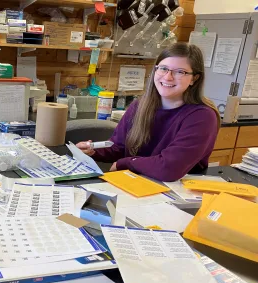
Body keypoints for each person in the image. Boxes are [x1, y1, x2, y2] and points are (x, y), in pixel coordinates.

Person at [77, 43, 220, 182]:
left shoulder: (202, 117)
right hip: (136, 185)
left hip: (176, 194)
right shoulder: (139, 106)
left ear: (194, 78)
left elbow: (169, 168)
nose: (168, 77)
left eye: (179, 72)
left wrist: (127, 163)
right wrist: (93, 151)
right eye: (163, 68)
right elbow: (118, 148)